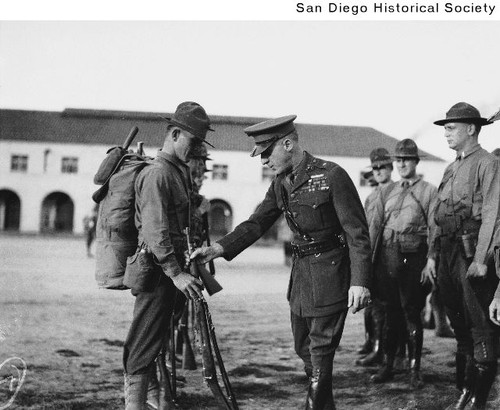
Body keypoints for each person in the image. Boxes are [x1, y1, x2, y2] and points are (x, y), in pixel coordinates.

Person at [192, 114, 372, 410]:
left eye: (266, 153)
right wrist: (218, 249)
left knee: (320, 352)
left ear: (287, 144)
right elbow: (257, 222)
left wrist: (360, 282)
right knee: (305, 349)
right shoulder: (281, 183)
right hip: (301, 278)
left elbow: (357, 233)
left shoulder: (331, 175)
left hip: (331, 275)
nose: (263, 161)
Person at [122, 101, 214, 410]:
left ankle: (158, 399)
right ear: (175, 134)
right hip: (159, 272)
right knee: (143, 340)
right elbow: (155, 231)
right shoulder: (158, 174)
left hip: (173, 274)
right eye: (193, 142)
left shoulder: (178, 173)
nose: (197, 150)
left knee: (159, 339)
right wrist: (176, 273)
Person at [425, 102, 500, 409]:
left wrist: (481, 259)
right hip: (447, 252)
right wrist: (432, 255)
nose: (446, 132)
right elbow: (436, 214)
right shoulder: (451, 166)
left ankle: (478, 400)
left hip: (471, 253)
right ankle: (465, 391)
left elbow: (493, 214)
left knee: (480, 324)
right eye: (445, 127)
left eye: (452, 127)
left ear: (471, 129)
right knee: (458, 323)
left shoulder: (487, 163)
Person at [368, 139, 435, 389]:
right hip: (387, 256)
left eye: (406, 159)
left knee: (411, 312)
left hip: (413, 257)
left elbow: (434, 228)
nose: (401, 163)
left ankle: (414, 370)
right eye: (398, 160)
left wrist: (432, 259)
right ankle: (387, 365)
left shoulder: (429, 191)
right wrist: (370, 263)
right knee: (389, 312)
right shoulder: (388, 190)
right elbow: (375, 226)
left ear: (416, 162)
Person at [356, 148, 398, 367]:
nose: (379, 171)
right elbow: (364, 229)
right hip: (373, 258)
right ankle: (376, 348)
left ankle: (391, 355)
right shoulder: (371, 197)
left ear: (391, 168)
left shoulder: (399, 192)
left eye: (383, 167)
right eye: (376, 168)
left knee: (391, 308)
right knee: (375, 307)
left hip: (392, 258)